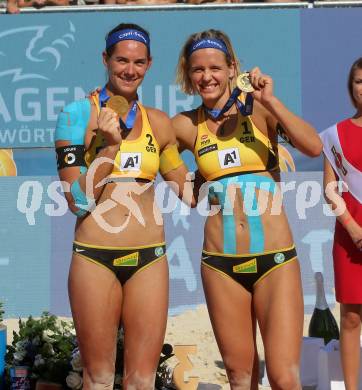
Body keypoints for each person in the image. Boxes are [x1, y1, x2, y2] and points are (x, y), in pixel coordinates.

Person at [172, 29, 322, 389]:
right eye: (197, 70)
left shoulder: (259, 110)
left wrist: (271, 101)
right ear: (188, 75)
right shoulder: (185, 125)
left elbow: (313, 146)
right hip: (221, 266)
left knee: (285, 378)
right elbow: (155, 158)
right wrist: (181, 182)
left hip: (275, 261)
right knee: (241, 378)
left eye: (214, 67)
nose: (206, 76)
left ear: (231, 68)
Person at [55, 23, 193, 389]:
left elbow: (188, 191)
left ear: (149, 65)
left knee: (142, 381)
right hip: (94, 257)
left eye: (138, 62)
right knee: (98, 379)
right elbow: (76, 200)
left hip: (149, 259)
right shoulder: (75, 115)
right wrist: (109, 147)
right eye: (121, 60)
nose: (129, 70)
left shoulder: (159, 123)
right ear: (105, 59)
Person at [321, 57, 362, 390]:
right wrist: (351, 227)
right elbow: (329, 189)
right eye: (359, 81)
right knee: (350, 317)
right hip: (351, 237)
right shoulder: (333, 135)